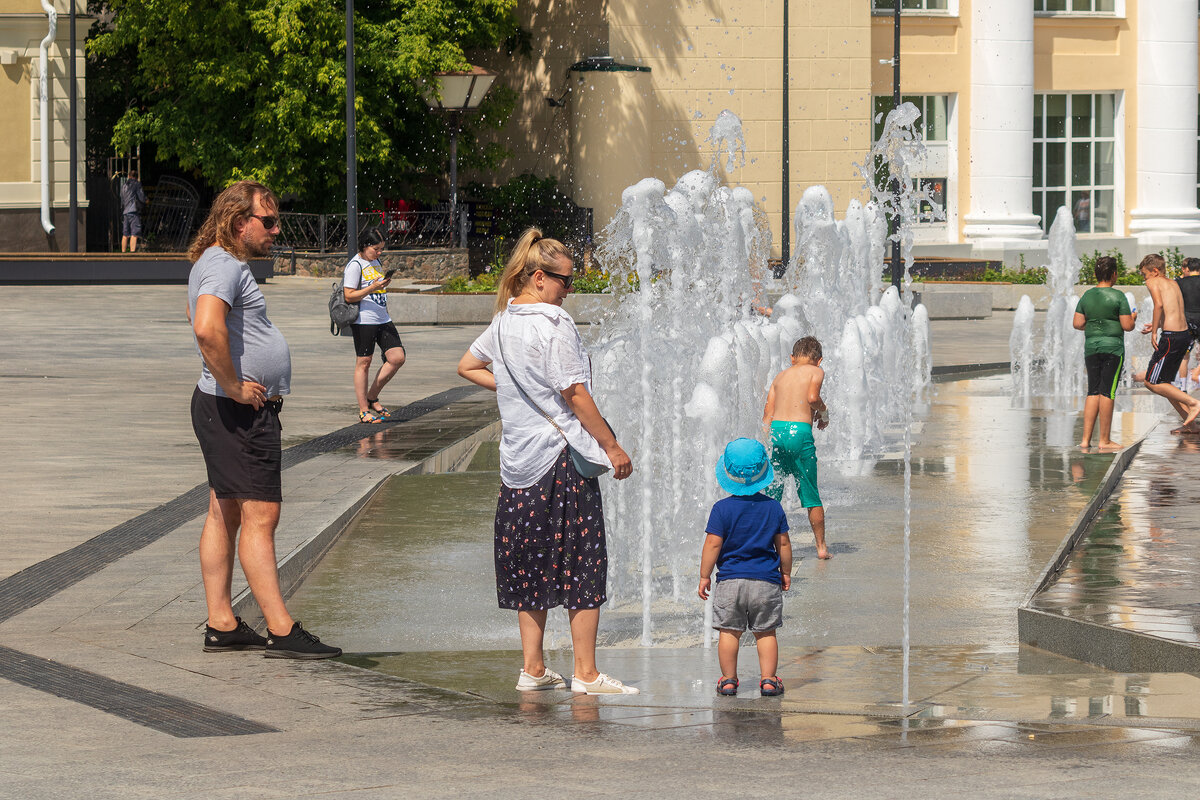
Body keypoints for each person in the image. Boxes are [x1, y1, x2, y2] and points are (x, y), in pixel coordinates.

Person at [456, 227, 637, 695]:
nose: (568, 291)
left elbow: (467, 366)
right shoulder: (553, 325)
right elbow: (575, 393)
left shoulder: (502, 322)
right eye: (566, 281)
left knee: (529, 562)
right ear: (539, 277)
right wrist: (612, 448)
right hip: (560, 459)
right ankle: (586, 673)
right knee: (582, 561)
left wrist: (518, 390)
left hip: (517, 465)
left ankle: (533, 670)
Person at [188, 180, 341, 659]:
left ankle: (222, 622)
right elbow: (206, 328)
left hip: (226, 407)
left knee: (225, 509)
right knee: (260, 514)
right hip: (234, 409)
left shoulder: (220, 263)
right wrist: (234, 385)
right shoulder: (223, 265)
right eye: (269, 222)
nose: (276, 230)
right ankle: (280, 627)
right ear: (240, 223)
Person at [697, 438, 792, 698]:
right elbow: (783, 543)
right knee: (766, 632)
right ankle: (769, 680)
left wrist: (705, 575)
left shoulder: (721, 509)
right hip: (765, 582)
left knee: (729, 632)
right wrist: (785, 572)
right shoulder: (773, 507)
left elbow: (713, 545)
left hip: (730, 582)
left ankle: (728, 680)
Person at [762, 336, 830, 559]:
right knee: (811, 493)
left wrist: (768, 443)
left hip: (777, 433)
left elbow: (767, 415)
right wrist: (824, 411)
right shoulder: (815, 371)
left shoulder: (779, 377)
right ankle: (821, 548)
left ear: (792, 358)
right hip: (799, 434)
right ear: (818, 360)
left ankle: (765, 545)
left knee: (772, 494)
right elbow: (812, 398)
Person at [1073, 255, 1135, 451]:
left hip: (1091, 348)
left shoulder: (1087, 296)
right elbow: (1127, 325)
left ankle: (1085, 440)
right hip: (1113, 350)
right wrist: (1132, 316)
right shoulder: (1118, 297)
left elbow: (1077, 323)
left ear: (1095, 274)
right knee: (1107, 392)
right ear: (1114, 274)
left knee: (1093, 391)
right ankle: (1105, 441)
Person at [1133, 253, 1200, 433]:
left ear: (1154, 271)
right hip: (1183, 334)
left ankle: (1193, 403)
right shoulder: (1173, 283)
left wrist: (1155, 331)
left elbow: (1159, 305)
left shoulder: (1153, 282)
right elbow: (1174, 310)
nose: (1144, 278)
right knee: (1165, 382)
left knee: (1151, 382)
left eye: (1144, 274)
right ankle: (1190, 424)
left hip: (1171, 337)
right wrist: (1158, 324)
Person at [343, 228, 405, 423]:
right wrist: (372, 288)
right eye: (376, 249)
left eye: (381, 250)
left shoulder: (375, 262)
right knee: (364, 362)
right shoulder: (355, 265)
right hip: (364, 320)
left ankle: (372, 396)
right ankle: (363, 411)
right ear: (365, 246)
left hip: (382, 317)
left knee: (397, 357)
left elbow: (375, 284)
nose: (379, 253)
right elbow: (348, 295)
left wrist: (382, 283)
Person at [1176, 257, 1200, 385]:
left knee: (1184, 355)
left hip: (1187, 321)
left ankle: (1183, 386)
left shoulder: (1180, 283)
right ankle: (1197, 375)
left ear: (1188, 269)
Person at [120, 169, 147, 253]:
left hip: (125, 212)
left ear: (128, 176)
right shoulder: (136, 184)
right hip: (133, 211)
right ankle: (132, 254)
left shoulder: (124, 185)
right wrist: (146, 200)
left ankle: (123, 253)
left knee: (125, 235)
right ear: (137, 177)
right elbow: (141, 197)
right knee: (134, 234)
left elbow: (121, 198)